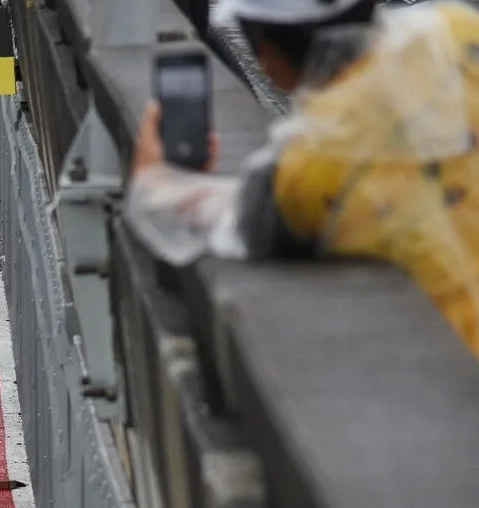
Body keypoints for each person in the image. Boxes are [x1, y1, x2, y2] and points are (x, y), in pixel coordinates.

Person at [128, 0, 479, 356]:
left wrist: (153, 174)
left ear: (264, 51)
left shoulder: (316, 164)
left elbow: (198, 220)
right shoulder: (458, 31)